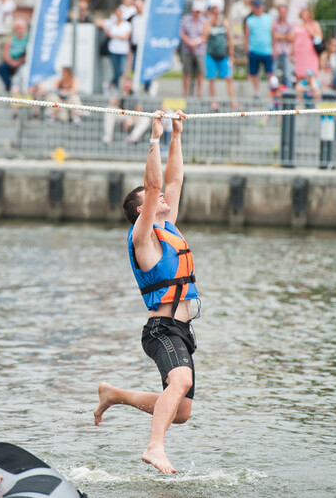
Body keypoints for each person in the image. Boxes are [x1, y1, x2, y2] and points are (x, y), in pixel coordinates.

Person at [95, 109, 198, 476]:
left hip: (182, 331)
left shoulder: (167, 225)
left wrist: (176, 134)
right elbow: (155, 186)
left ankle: (115, 395)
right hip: (161, 330)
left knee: (182, 411)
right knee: (180, 381)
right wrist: (154, 137)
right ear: (142, 209)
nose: (165, 197)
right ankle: (155, 447)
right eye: (153, 198)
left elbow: (175, 177)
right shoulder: (144, 237)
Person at [205, 4, 236, 110]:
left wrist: (231, 55)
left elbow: (230, 40)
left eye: (218, 13)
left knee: (229, 78)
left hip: (223, 56)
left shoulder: (225, 24)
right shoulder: (208, 24)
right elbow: (204, 37)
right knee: (211, 79)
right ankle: (214, 101)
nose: (217, 15)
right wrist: (210, 22)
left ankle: (233, 101)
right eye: (214, 13)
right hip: (211, 56)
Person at [102, 76, 150, 144]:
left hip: (132, 116)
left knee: (145, 119)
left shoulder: (135, 95)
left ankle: (134, 137)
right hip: (120, 114)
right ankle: (108, 135)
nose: (127, 86)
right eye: (125, 84)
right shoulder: (118, 92)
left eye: (128, 84)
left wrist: (130, 121)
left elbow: (139, 110)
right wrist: (121, 96)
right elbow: (112, 104)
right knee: (109, 109)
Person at [179, 0, 209, 98]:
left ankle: (199, 94)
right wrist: (189, 41)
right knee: (186, 72)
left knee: (200, 73)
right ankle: (185, 94)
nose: (197, 13)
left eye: (198, 11)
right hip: (188, 50)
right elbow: (182, 33)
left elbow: (205, 35)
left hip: (199, 51)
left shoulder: (204, 21)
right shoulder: (186, 19)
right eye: (196, 11)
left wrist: (195, 42)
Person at [98, 5, 133, 93]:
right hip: (113, 49)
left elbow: (126, 37)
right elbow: (99, 22)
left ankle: (110, 84)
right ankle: (116, 88)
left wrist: (113, 35)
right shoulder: (112, 23)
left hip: (122, 50)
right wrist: (106, 30)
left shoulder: (126, 25)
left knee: (120, 70)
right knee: (115, 69)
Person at [245, 0, 274, 98]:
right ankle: (256, 92)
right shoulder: (249, 20)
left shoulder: (268, 18)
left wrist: (274, 48)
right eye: (256, 6)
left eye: (259, 6)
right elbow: (247, 35)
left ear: (263, 7)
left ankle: (272, 91)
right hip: (254, 50)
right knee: (254, 73)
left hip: (267, 50)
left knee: (270, 72)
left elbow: (273, 34)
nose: (257, 8)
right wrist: (247, 49)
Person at [0, 17, 29, 93]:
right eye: (17, 27)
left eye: (20, 27)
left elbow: (28, 54)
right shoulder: (11, 38)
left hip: (22, 62)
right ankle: (9, 87)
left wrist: (19, 62)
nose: (19, 29)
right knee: (2, 68)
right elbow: (5, 53)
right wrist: (12, 62)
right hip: (11, 62)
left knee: (23, 71)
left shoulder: (29, 38)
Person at [293, 8, 322, 86]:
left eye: (305, 14)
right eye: (302, 14)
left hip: (310, 52)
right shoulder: (298, 25)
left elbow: (319, 37)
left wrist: (309, 29)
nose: (304, 16)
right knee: (299, 73)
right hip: (299, 53)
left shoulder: (314, 24)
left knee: (311, 73)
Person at [272, 2, 294, 85]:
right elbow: (274, 36)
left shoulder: (290, 23)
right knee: (274, 74)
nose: (282, 14)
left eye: (284, 12)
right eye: (281, 12)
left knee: (288, 74)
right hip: (276, 50)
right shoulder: (274, 22)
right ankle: (273, 93)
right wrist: (286, 36)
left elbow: (291, 38)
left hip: (287, 51)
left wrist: (280, 35)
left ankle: (289, 93)